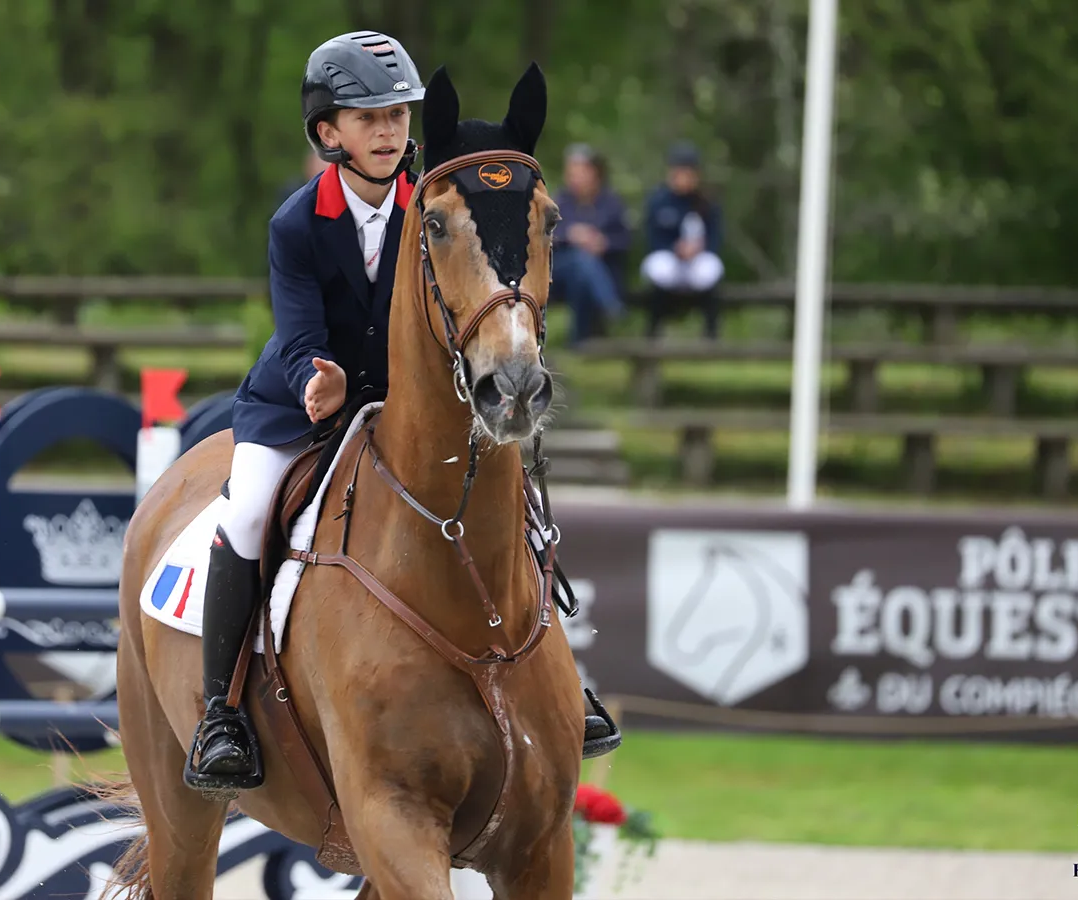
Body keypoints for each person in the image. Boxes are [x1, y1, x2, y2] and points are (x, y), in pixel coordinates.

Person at [186, 31, 621, 794]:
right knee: (249, 510)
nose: (389, 132)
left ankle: (558, 686)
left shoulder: (439, 198)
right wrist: (314, 381)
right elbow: (296, 332)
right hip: (301, 398)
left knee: (510, 497)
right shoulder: (296, 223)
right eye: (368, 118)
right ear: (329, 133)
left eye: (397, 116)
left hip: (408, 399)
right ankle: (219, 713)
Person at [640, 140, 725, 339]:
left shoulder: (707, 202)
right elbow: (652, 237)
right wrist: (674, 248)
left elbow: (716, 236)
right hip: (670, 259)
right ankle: (654, 328)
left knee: (711, 269)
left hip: (697, 261)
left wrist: (700, 249)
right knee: (658, 269)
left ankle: (711, 330)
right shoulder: (659, 200)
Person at [551, 143, 630, 343]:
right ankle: (611, 307)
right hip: (559, 272)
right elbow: (544, 238)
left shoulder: (611, 203)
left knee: (582, 272)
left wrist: (603, 243)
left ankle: (578, 341)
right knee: (580, 260)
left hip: (600, 271)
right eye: (570, 173)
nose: (574, 178)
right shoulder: (558, 202)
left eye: (579, 172)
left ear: (594, 173)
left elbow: (625, 240)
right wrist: (571, 236)